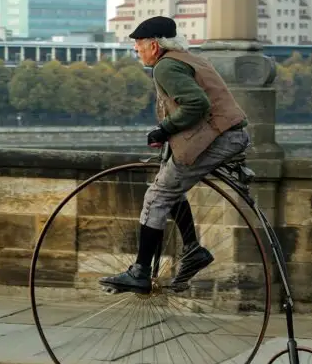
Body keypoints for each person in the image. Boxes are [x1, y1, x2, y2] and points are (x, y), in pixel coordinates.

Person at [99, 16, 251, 293]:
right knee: (169, 186)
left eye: (139, 44)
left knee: (156, 196)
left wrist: (165, 128)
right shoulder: (189, 58)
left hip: (220, 137)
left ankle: (140, 271)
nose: (136, 50)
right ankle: (192, 249)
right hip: (226, 133)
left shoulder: (165, 66)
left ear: (154, 46)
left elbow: (197, 103)